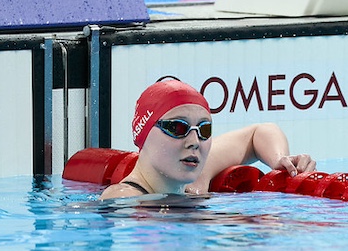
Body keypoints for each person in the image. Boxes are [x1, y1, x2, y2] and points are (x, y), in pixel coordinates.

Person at [100, 76, 316, 200]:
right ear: (143, 134)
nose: (194, 141)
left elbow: (260, 131)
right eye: (178, 127)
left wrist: (279, 159)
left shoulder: (196, 177)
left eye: (204, 130)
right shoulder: (123, 199)